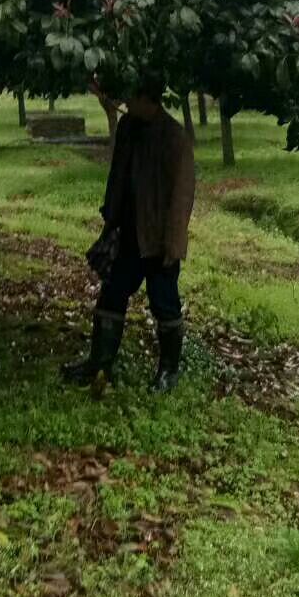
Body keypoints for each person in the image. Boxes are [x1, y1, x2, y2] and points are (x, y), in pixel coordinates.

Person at [62, 75, 195, 392]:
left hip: (159, 238)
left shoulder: (174, 137)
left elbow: (182, 196)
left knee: (164, 303)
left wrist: (173, 243)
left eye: (132, 98)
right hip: (128, 233)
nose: (126, 104)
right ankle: (99, 361)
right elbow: (117, 175)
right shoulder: (128, 128)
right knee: (112, 295)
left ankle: (168, 372)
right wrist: (110, 217)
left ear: (148, 99)